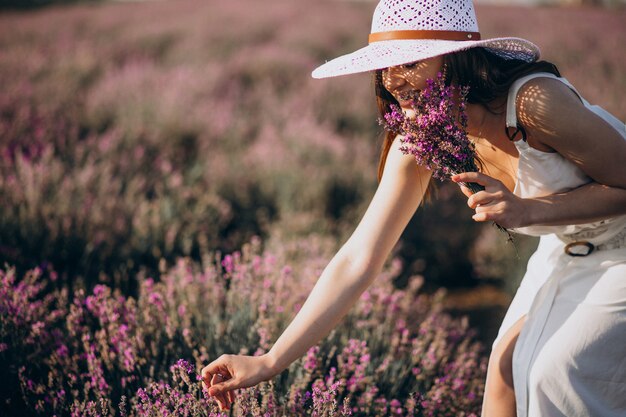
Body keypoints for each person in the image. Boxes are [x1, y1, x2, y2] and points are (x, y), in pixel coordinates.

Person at [201, 0, 626, 415]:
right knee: (504, 374)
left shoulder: (535, 104)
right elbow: (358, 259)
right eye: (385, 66)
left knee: (556, 375)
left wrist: (531, 211)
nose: (393, 81)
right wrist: (271, 360)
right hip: (567, 249)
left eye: (410, 63)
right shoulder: (424, 135)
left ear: (455, 61)